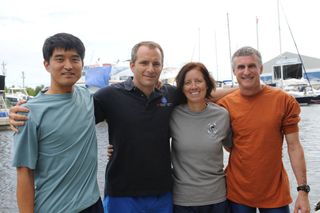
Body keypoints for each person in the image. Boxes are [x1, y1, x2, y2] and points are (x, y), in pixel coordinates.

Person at [9, 41, 234, 213]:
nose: (150, 69)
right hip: (122, 193)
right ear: (132, 65)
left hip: (163, 191)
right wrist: (27, 108)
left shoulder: (170, 95)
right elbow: (71, 112)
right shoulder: (109, 96)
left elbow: (204, 94)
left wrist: (247, 89)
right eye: (144, 63)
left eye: (156, 64)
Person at [11, 33, 103, 213]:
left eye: (75, 59)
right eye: (59, 59)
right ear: (47, 64)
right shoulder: (28, 113)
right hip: (55, 208)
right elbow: (24, 174)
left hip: (93, 203)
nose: (68, 66)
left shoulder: (86, 97)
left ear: (82, 64)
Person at [217, 46, 310, 213]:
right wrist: (239, 89)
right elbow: (198, 93)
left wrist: (302, 191)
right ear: (233, 71)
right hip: (238, 192)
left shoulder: (283, 100)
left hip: (275, 192)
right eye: (241, 67)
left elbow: (294, 146)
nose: (246, 71)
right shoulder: (225, 105)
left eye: (252, 66)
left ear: (260, 68)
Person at [170, 62, 232, 212]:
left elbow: (233, 149)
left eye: (198, 81)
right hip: (183, 200)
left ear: (207, 84)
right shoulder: (172, 114)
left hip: (217, 199)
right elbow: (150, 138)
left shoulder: (222, 115)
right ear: (182, 87)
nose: (193, 86)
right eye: (187, 82)